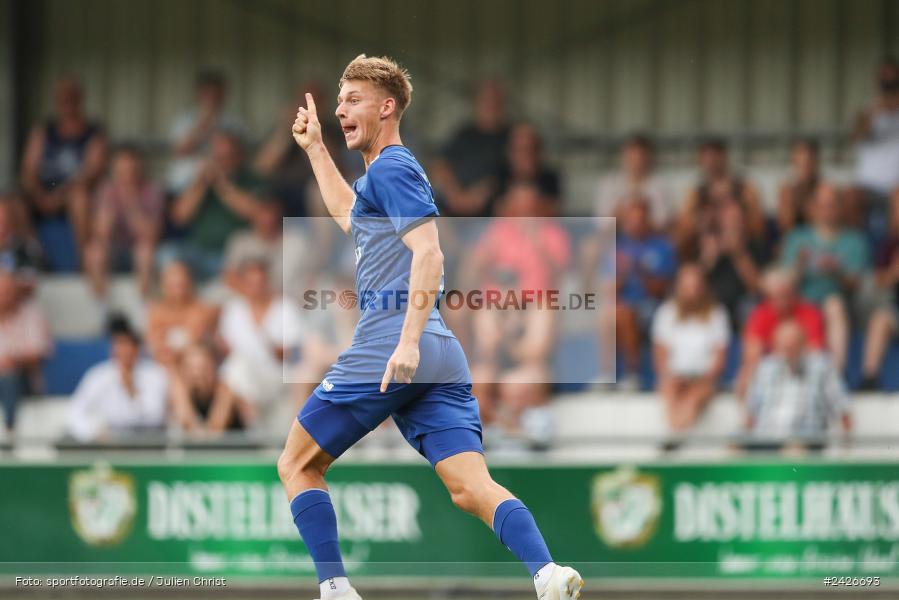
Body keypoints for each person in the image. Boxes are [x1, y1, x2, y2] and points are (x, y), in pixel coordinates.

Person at [281, 55, 583, 600]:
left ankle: (333, 589)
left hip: (394, 341)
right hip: (439, 350)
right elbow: (349, 215)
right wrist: (316, 150)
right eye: (339, 100)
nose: (339, 109)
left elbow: (431, 255)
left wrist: (406, 341)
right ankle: (547, 573)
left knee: (297, 464)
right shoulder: (384, 174)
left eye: (352, 100)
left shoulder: (393, 168)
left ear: (387, 106)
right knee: (470, 487)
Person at [465, 183, 570, 444]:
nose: (523, 212)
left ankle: (516, 437)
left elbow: (533, 353)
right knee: (478, 380)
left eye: (529, 207)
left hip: (534, 317)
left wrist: (538, 244)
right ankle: (486, 440)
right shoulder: (496, 233)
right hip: (496, 316)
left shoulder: (551, 234)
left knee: (520, 383)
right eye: (518, 207)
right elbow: (487, 350)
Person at [781, 183, 869, 370]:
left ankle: (836, 375)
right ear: (812, 208)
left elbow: (857, 285)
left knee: (833, 305)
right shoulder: (797, 238)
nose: (826, 211)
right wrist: (800, 265)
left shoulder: (854, 240)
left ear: (840, 207)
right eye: (821, 205)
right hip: (801, 304)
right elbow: (785, 283)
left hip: (844, 307)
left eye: (831, 205)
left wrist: (836, 271)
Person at [19, 77, 107, 257]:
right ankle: (32, 256)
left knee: (79, 198)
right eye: (62, 98)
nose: (67, 102)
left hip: (72, 193)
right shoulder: (44, 130)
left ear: (80, 99)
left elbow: (92, 173)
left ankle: (84, 259)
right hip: (42, 194)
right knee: (13, 202)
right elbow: (28, 169)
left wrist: (59, 196)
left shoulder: (93, 132)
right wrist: (39, 196)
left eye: (71, 97)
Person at [217, 258, 304, 433]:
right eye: (251, 283)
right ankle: (250, 428)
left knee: (237, 369)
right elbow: (226, 349)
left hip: (281, 378)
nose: (256, 287)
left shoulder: (285, 308)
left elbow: (296, 354)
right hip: (248, 384)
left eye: (260, 282)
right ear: (243, 284)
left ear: (267, 282)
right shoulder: (234, 309)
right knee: (235, 368)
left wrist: (277, 349)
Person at [165, 131, 263, 280]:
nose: (220, 163)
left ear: (238, 156)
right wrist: (200, 184)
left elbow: (257, 214)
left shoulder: (250, 180)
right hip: (198, 251)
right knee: (168, 254)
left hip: (236, 255)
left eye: (225, 157)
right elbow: (179, 217)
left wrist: (222, 185)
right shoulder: (198, 182)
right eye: (216, 157)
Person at [745, 320, 851, 453]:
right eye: (783, 346)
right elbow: (750, 415)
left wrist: (846, 451)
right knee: (732, 448)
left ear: (803, 344)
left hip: (804, 441)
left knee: (793, 452)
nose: (787, 351)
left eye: (792, 345)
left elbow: (843, 411)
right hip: (765, 439)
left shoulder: (822, 368)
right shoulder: (765, 368)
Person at [652, 264, 729, 434]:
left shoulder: (717, 314)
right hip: (674, 378)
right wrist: (670, 376)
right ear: (678, 288)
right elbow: (661, 354)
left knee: (692, 399)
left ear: (703, 288)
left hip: (704, 380)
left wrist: (702, 378)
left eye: (696, 287)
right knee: (669, 391)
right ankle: (676, 433)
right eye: (687, 287)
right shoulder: (666, 312)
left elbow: (720, 357)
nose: (692, 293)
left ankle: (674, 436)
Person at [66, 316, 168, 443]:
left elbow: (155, 416)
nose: (122, 351)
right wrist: (94, 432)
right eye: (118, 345)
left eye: (127, 345)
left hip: (150, 443)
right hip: (110, 444)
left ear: (137, 349)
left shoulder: (155, 374)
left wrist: (131, 389)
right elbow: (74, 413)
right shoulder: (98, 375)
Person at [610, 198, 677, 389]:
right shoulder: (616, 247)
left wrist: (639, 269)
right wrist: (621, 274)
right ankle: (605, 372)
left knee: (624, 312)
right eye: (631, 219)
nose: (636, 223)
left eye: (640, 219)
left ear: (648, 220)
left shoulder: (662, 246)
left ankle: (632, 374)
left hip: (651, 306)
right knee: (609, 312)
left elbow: (661, 290)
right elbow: (607, 291)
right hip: (620, 306)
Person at [84, 145, 164, 298]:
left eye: (131, 171)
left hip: (141, 253)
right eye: (121, 172)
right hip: (114, 251)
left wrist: (131, 205)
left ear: (139, 170)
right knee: (94, 252)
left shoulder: (152, 191)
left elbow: (151, 236)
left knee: (145, 251)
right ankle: (103, 307)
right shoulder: (106, 190)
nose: (126, 177)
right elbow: (99, 235)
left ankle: (143, 302)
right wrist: (108, 217)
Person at [736, 268, 826, 398]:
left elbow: (815, 351)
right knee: (746, 374)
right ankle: (750, 416)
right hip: (770, 370)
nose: (779, 301)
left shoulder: (809, 313)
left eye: (783, 295)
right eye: (774, 296)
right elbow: (752, 353)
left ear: (792, 293)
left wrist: (788, 355)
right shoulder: (761, 314)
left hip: (801, 368)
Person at [675, 138, 765, 260]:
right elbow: (684, 228)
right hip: (707, 251)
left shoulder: (744, 189)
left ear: (724, 157)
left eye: (714, 157)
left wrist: (737, 224)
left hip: (740, 249)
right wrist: (702, 222)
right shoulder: (695, 194)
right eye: (706, 158)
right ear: (700, 160)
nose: (711, 163)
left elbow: (758, 227)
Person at [431, 79, 510, 217]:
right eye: (485, 100)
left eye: (494, 100)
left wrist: (483, 192)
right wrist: (455, 195)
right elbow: (440, 167)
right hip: (456, 200)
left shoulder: (510, 137)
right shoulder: (464, 134)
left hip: (493, 206)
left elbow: (514, 173)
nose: (490, 105)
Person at [166, 69, 245, 194]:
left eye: (216, 94)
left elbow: (238, 157)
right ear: (199, 94)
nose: (212, 98)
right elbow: (179, 150)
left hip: (223, 182)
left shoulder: (233, 122)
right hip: (186, 183)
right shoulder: (184, 120)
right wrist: (202, 125)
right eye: (208, 94)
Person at [699, 199, 769, 328]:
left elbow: (758, 288)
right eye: (728, 218)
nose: (732, 224)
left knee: (749, 306)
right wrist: (709, 259)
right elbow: (697, 282)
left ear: (744, 221)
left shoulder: (757, 247)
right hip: (714, 301)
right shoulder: (709, 244)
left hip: (743, 303)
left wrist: (738, 254)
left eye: (736, 218)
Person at [850, 57, 899, 241]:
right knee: (850, 197)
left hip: (896, 188)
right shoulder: (869, 110)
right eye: (885, 83)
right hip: (867, 186)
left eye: (893, 83)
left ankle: (889, 255)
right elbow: (855, 135)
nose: (889, 88)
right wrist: (876, 109)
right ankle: (856, 251)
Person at [0, 270, 51, 436]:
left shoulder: (31, 314)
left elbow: (40, 351)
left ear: (15, 291)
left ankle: (10, 432)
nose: (4, 295)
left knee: (8, 376)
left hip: (24, 379)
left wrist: (15, 360)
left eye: (7, 290)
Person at [145, 261, 219, 369]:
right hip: (162, 366)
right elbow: (154, 344)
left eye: (181, 285)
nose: (178, 291)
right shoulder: (156, 311)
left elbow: (194, 342)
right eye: (173, 285)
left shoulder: (200, 310)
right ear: (164, 286)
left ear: (189, 284)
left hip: (193, 367)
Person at [860, 189, 899, 389]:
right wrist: (893, 273)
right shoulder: (889, 244)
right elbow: (875, 281)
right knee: (880, 318)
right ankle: (870, 378)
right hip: (895, 310)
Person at [595, 133, 674, 231]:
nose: (637, 161)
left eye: (641, 156)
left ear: (648, 158)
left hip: (650, 237)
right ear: (625, 156)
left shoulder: (659, 184)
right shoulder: (610, 183)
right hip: (617, 235)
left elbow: (663, 221)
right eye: (633, 156)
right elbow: (603, 222)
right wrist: (624, 215)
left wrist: (639, 220)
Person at [169, 342, 248, 434]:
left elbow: (215, 430)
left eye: (204, 368)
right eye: (192, 368)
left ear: (213, 366)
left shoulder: (225, 390)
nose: (198, 374)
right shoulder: (179, 387)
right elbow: (186, 421)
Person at [494, 122, 561, 216]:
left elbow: (552, 212)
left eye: (530, 149)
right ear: (510, 152)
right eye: (519, 150)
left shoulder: (550, 177)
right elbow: (499, 212)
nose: (525, 155)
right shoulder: (500, 175)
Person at [776, 139, 821, 235]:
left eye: (808, 163)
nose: (804, 169)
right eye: (800, 164)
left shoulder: (823, 189)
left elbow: (822, 222)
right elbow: (785, 226)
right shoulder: (787, 190)